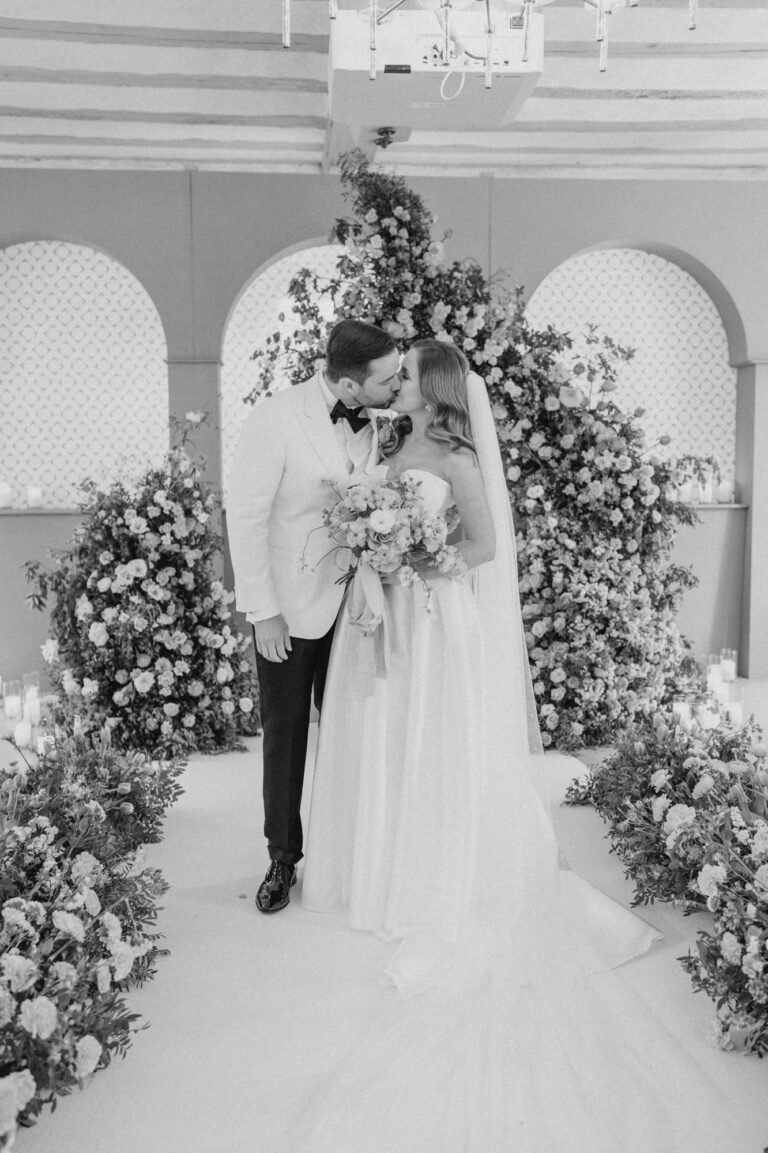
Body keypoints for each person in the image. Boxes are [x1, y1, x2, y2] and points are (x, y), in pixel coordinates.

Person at [293, 340, 745, 1152]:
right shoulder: (390, 446)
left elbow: (486, 548)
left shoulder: (463, 457)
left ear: (431, 389)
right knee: (390, 736)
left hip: (436, 616)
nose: (399, 389)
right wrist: (374, 553)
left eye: (408, 379)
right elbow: (373, 519)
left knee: (436, 739)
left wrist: (418, 557)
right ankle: (385, 855)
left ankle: (437, 865)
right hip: (390, 615)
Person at [227, 319, 401, 913]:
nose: (396, 385)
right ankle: (283, 857)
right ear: (351, 387)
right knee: (286, 736)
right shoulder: (275, 418)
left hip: (356, 609)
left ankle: (351, 850)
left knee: (357, 732)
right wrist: (263, 612)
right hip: (290, 611)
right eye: (387, 378)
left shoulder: (383, 426)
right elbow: (245, 520)